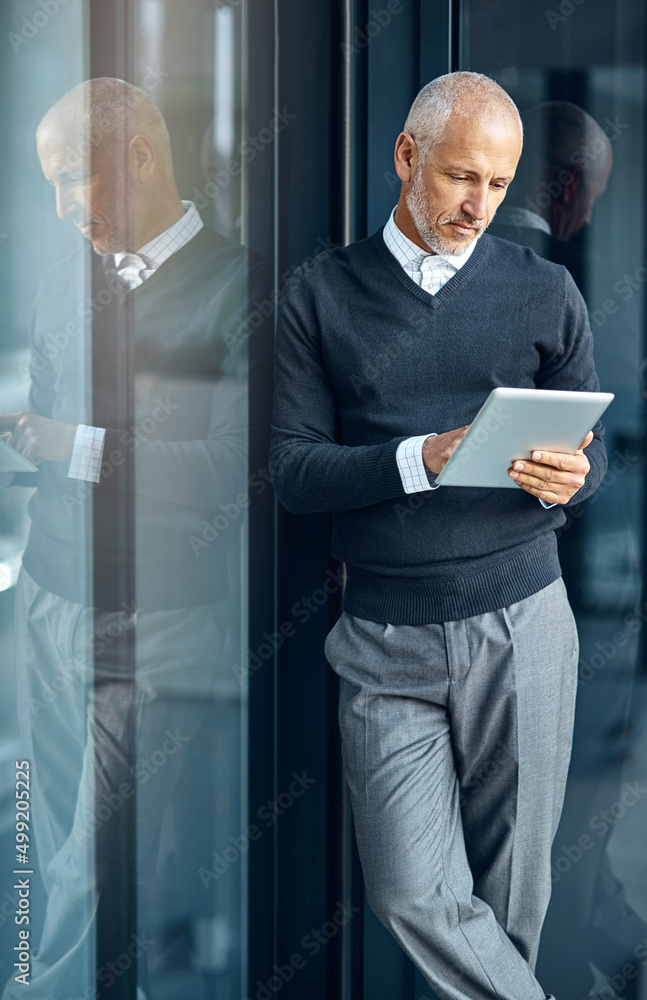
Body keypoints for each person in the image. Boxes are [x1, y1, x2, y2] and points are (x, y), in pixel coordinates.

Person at [270, 71, 608, 1000]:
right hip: (384, 639)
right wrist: (421, 457)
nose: (478, 206)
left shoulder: (545, 291)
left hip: (525, 624)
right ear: (406, 157)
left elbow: (591, 454)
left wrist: (574, 478)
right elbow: (293, 470)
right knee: (415, 894)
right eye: (462, 178)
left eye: (498, 187)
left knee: (510, 907)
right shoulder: (319, 296)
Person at [0, 78, 267, 999]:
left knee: (93, 862)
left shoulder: (240, 286)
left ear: (142, 159)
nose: (65, 208)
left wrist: (78, 448)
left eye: (76, 178)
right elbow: (43, 415)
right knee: (44, 838)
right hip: (45, 594)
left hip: (151, 618)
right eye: (52, 186)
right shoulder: (61, 277)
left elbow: (237, 463)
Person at [490, 100, 647, 1000]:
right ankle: (618, 963)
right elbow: (615, 433)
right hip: (576, 601)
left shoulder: (449, 275)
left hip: (476, 600)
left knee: (549, 830)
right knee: (563, 824)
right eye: (590, 194)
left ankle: (626, 961)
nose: (591, 213)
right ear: (565, 190)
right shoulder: (580, 285)